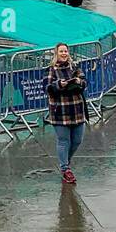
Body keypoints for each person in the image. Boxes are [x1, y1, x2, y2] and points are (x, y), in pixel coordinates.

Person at [45, 42, 88, 185]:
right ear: (56, 53)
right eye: (61, 51)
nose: (64, 53)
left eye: (66, 51)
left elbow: (84, 82)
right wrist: (59, 85)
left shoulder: (74, 68)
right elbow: (47, 86)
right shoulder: (51, 69)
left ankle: (66, 163)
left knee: (77, 140)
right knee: (63, 141)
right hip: (60, 111)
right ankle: (65, 169)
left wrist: (78, 81)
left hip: (77, 110)